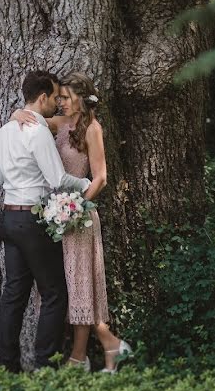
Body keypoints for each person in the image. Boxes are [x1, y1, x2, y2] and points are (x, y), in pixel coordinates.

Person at [12, 71, 131, 373]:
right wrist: (17, 113)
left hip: (78, 218)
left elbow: (100, 177)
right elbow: (30, 117)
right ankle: (109, 346)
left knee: (80, 288)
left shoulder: (92, 128)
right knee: (60, 288)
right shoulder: (59, 123)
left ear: (80, 99)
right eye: (59, 97)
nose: (61, 102)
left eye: (65, 97)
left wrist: (76, 208)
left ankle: (80, 358)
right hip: (54, 219)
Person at [0, 70, 92, 373]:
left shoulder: (4, 131)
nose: (56, 104)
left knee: (14, 294)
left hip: (9, 218)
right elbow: (58, 179)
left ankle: (8, 367)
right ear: (42, 97)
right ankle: (44, 366)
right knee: (54, 294)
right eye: (54, 97)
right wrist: (87, 184)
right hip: (33, 222)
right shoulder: (37, 132)